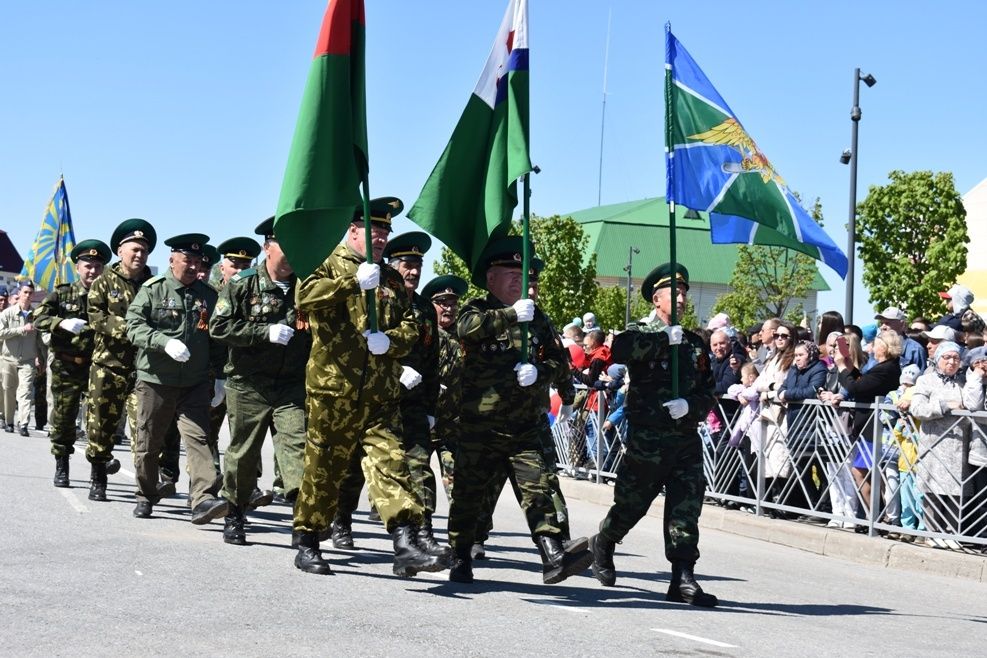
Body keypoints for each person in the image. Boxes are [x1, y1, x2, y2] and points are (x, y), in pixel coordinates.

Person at [290, 196, 446, 578]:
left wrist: (391, 341)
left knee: (391, 462)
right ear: (353, 230)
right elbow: (303, 298)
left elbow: (413, 326)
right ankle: (308, 539)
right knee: (323, 469)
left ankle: (405, 540)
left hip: (379, 392)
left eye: (385, 231)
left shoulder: (390, 279)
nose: (380, 237)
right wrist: (349, 283)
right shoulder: (324, 261)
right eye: (374, 230)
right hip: (333, 390)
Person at [447, 236, 591, 585]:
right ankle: (461, 554)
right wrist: (511, 314)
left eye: (521, 272)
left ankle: (552, 554)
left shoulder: (537, 319)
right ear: (490, 278)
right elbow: (464, 330)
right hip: (481, 424)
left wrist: (540, 372)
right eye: (508, 272)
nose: (518, 278)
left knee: (539, 487)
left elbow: (560, 362)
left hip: (524, 426)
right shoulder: (475, 310)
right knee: (469, 494)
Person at [589, 262, 717, 606]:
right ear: (656, 299)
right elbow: (623, 349)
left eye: (685, 292)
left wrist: (690, 405)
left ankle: (683, 577)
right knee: (632, 504)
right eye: (674, 292)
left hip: (685, 439)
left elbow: (709, 390)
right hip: (648, 438)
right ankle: (604, 541)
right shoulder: (640, 331)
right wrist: (663, 340)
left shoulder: (693, 343)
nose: (681, 297)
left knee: (686, 506)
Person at [331, 231, 447, 558]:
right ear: (391, 266)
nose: (413, 272)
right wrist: (396, 370)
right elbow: (357, 346)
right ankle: (341, 519)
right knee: (355, 466)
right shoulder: (376, 297)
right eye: (407, 265)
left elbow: (432, 360)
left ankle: (421, 533)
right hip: (374, 397)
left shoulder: (425, 308)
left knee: (418, 466)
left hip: (410, 403)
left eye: (418, 266)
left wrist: (430, 407)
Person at [210, 220, 308, 545]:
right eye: (285, 244)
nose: (292, 252)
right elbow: (219, 327)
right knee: (243, 452)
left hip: (290, 386)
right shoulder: (242, 284)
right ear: (268, 247)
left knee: (298, 448)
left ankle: (301, 520)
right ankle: (235, 512)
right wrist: (262, 333)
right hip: (248, 384)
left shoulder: (305, 287)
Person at [126, 234, 227, 524]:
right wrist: (162, 341)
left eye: (198, 261)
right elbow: (133, 327)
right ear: (172, 260)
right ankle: (146, 494)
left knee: (200, 440)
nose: (194, 266)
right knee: (149, 442)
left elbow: (216, 340)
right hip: (155, 381)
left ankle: (203, 499)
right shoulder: (152, 290)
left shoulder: (207, 295)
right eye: (188, 260)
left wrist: (221, 377)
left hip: (193, 384)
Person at [85, 219, 156, 501]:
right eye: (135, 249)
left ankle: (144, 487)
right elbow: (96, 318)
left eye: (144, 251)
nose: (140, 255)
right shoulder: (104, 282)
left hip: (142, 370)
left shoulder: (154, 285)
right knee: (100, 425)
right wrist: (133, 329)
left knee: (143, 429)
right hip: (107, 366)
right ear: (120, 250)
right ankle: (98, 476)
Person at [32, 240, 111, 487]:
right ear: (77, 267)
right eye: (88, 266)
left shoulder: (109, 296)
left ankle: (98, 472)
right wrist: (60, 323)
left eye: (98, 267)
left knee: (99, 419)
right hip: (66, 367)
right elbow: (38, 318)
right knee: (64, 418)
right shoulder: (63, 292)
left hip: (97, 367)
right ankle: (62, 466)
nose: (92, 271)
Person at [837, 329, 902, 525]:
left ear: (884, 346)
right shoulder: (882, 367)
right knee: (865, 471)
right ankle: (874, 516)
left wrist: (841, 368)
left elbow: (857, 387)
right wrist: (848, 365)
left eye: (876, 342)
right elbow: (861, 381)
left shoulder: (887, 369)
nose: (872, 346)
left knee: (862, 471)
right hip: (868, 428)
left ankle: (876, 516)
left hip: (874, 429)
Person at [910, 341, 968, 549]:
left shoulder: (963, 381)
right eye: (947, 358)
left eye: (955, 358)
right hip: (934, 442)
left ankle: (952, 534)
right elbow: (917, 408)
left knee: (955, 490)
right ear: (938, 359)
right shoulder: (926, 380)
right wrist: (944, 406)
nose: (951, 362)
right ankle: (933, 533)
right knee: (933, 490)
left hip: (958, 443)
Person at [422, 274, 469, 509]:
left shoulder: (464, 336)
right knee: (420, 479)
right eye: (443, 303)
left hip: (452, 424)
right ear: (431, 304)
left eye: (453, 303)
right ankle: (423, 529)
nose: (449, 308)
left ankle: (462, 536)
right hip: (423, 420)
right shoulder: (422, 333)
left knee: (458, 481)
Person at [0, 281, 40, 436]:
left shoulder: (36, 315)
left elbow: (40, 340)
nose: (28, 296)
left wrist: (41, 358)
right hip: (8, 359)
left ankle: (23, 424)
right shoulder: (8, 313)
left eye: (31, 293)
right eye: (25, 292)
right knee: (8, 392)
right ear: (19, 293)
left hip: (28, 361)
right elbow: (1, 333)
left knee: (25, 392)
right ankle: (9, 421)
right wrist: (21, 329)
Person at [872, 307, 926, 372]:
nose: (883, 327)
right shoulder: (876, 348)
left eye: (887, 323)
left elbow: (920, 378)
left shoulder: (915, 350)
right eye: (881, 323)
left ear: (902, 324)